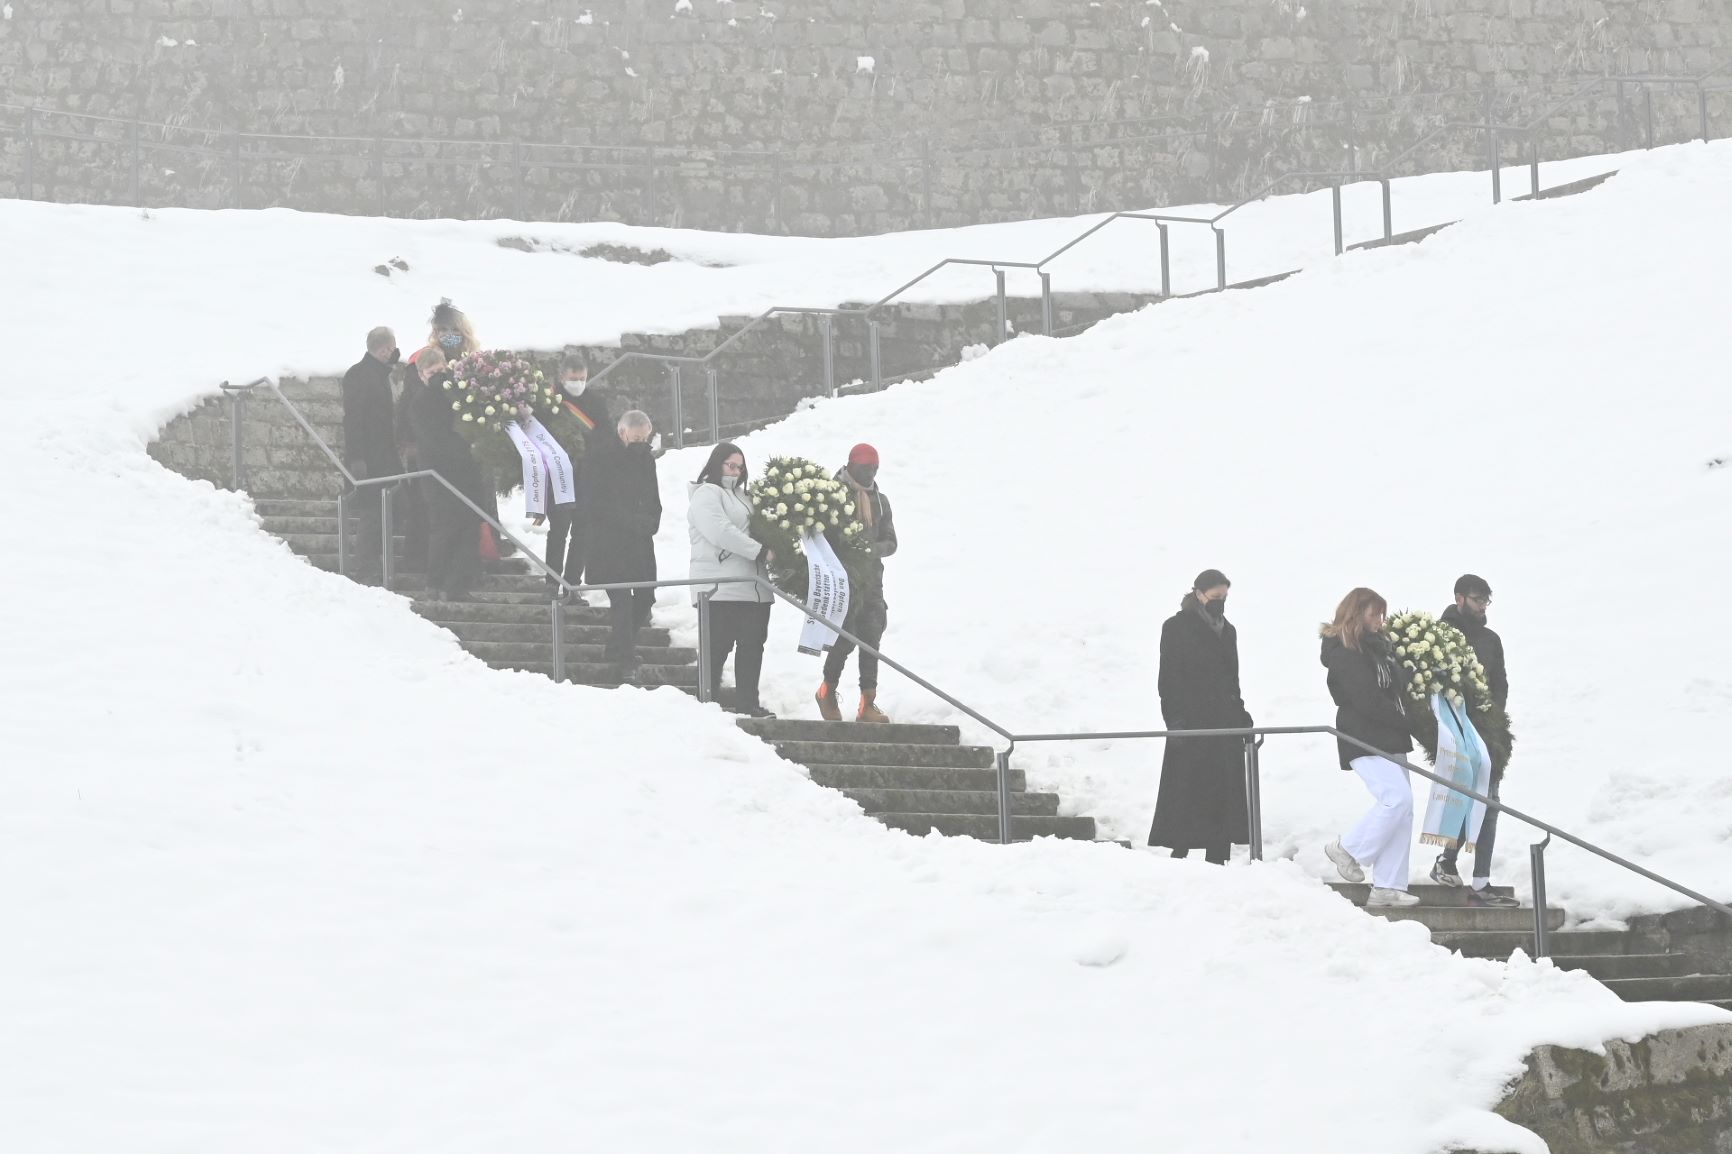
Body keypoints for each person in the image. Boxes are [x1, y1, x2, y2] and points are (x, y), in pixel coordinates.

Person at [1321, 587, 1420, 908]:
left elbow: (1392, 689)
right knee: (1396, 799)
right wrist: (1408, 723)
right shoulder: (1345, 652)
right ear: (1356, 615)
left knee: (1404, 811)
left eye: (1382, 614)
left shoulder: (1378, 649)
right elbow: (1365, 699)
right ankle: (1347, 849)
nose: (1381, 621)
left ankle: (1388, 886)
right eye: (1374, 614)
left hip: (1388, 734)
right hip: (1362, 733)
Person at [1147, 570, 1253, 865]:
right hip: (1192, 722)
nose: (1220, 603)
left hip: (1225, 723)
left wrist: (1242, 713)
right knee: (1188, 788)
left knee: (1222, 791)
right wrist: (1174, 720)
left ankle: (1218, 857)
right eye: (1216, 597)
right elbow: (1168, 678)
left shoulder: (1227, 630)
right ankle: (1179, 855)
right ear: (1199, 593)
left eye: (1224, 597)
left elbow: (1232, 679)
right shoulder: (1176, 627)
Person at [1430, 574, 1519, 907]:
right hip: (1452, 730)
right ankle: (1449, 862)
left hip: (1485, 731)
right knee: (1467, 799)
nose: (1483, 606)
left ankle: (1475, 876)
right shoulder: (1439, 635)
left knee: (1489, 802)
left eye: (1486, 600)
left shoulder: (1490, 639)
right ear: (1459, 598)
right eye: (1477, 599)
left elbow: (1500, 683)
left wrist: (1492, 716)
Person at [688, 442, 775, 718]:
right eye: (731, 465)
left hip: (753, 586)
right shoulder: (706, 494)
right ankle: (706, 704)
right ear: (717, 463)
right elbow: (719, 530)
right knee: (717, 648)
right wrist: (759, 551)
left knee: (752, 647)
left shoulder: (745, 497)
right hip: (719, 586)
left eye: (740, 466)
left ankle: (748, 703)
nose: (736, 472)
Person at [816, 443, 897, 723]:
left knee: (871, 638)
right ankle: (827, 689)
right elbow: (821, 537)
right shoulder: (834, 495)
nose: (871, 473)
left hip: (873, 581)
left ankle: (868, 702)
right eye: (866, 468)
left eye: (875, 468)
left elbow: (891, 542)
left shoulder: (880, 500)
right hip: (843, 581)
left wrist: (872, 550)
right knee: (844, 636)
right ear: (851, 466)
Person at [425, 299, 512, 557]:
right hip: (446, 446)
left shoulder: (475, 362)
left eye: (453, 330)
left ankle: (489, 546)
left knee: (483, 498)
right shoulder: (430, 362)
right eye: (443, 331)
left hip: (476, 444)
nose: (448, 336)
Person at [401, 347, 487, 601]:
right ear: (421, 375)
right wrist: (465, 447)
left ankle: (458, 583)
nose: (438, 377)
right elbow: (434, 439)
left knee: (469, 527)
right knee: (445, 527)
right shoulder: (420, 403)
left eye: (441, 371)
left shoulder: (459, 393)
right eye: (432, 373)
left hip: (465, 472)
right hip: (439, 474)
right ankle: (436, 581)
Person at [582, 410, 661, 681]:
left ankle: (616, 647)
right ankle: (626, 659)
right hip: (609, 544)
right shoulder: (601, 458)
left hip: (639, 542)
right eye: (636, 438)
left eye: (645, 438)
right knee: (622, 601)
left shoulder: (646, 460)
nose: (641, 443)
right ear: (622, 433)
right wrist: (631, 521)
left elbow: (653, 497)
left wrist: (652, 521)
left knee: (646, 596)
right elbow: (597, 502)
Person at [543, 352, 613, 601]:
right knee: (559, 530)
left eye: (582, 378)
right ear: (562, 377)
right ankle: (552, 582)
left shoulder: (595, 402)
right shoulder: (550, 402)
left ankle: (572, 584)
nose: (578, 383)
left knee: (582, 533)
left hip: (587, 475)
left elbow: (607, 435)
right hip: (558, 475)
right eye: (573, 378)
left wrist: (588, 447)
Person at [340, 326, 401, 578]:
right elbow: (353, 418)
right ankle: (365, 565)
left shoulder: (376, 373)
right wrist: (356, 457)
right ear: (381, 348)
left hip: (382, 455)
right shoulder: (360, 375)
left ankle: (372, 562)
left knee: (383, 509)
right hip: (370, 456)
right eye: (388, 349)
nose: (391, 353)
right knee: (371, 512)